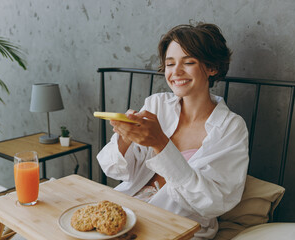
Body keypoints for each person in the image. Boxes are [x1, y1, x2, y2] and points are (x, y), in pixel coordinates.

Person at [97, 23, 249, 239]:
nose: (176, 72)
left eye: (188, 62)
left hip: (180, 227)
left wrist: (161, 144)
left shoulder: (231, 127)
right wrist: (124, 137)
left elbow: (213, 202)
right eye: (170, 64)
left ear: (212, 67)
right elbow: (113, 169)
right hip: (128, 213)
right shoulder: (156, 105)